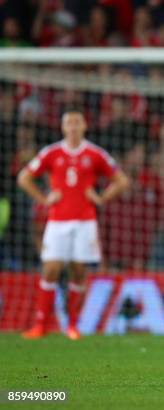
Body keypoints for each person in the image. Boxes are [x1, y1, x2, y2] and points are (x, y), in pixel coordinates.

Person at [17, 110, 129, 340]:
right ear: (62, 127)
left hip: (85, 221)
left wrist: (101, 198)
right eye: (69, 122)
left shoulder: (95, 154)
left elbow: (121, 180)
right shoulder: (51, 152)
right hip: (57, 221)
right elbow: (24, 178)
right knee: (51, 269)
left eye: (77, 122)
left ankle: (73, 326)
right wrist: (44, 199)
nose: (73, 126)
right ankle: (40, 325)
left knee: (78, 271)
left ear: (84, 125)